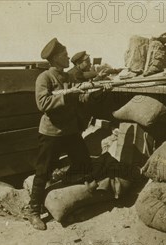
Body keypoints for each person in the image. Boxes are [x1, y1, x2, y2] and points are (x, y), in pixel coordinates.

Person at [28, 38, 111, 230]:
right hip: (52, 133)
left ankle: (76, 194)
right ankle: (33, 211)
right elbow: (43, 104)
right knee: (43, 171)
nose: (68, 58)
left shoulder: (69, 78)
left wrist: (98, 91)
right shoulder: (45, 78)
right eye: (65, 55)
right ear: (56, 58)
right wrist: (68, 96)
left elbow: (81, 99)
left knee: (84, 164)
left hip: (71, 131)